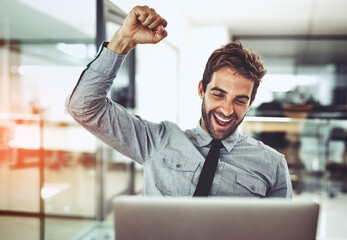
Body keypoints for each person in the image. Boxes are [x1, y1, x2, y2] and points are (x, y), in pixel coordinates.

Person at [66, 5, 292, 198]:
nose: (226, 109)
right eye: (218, 94)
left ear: (250, 103)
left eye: (240, 100)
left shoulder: (272, 164)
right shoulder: (156, 141)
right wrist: (123, 40)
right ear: (202, 90)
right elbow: (83, 106)